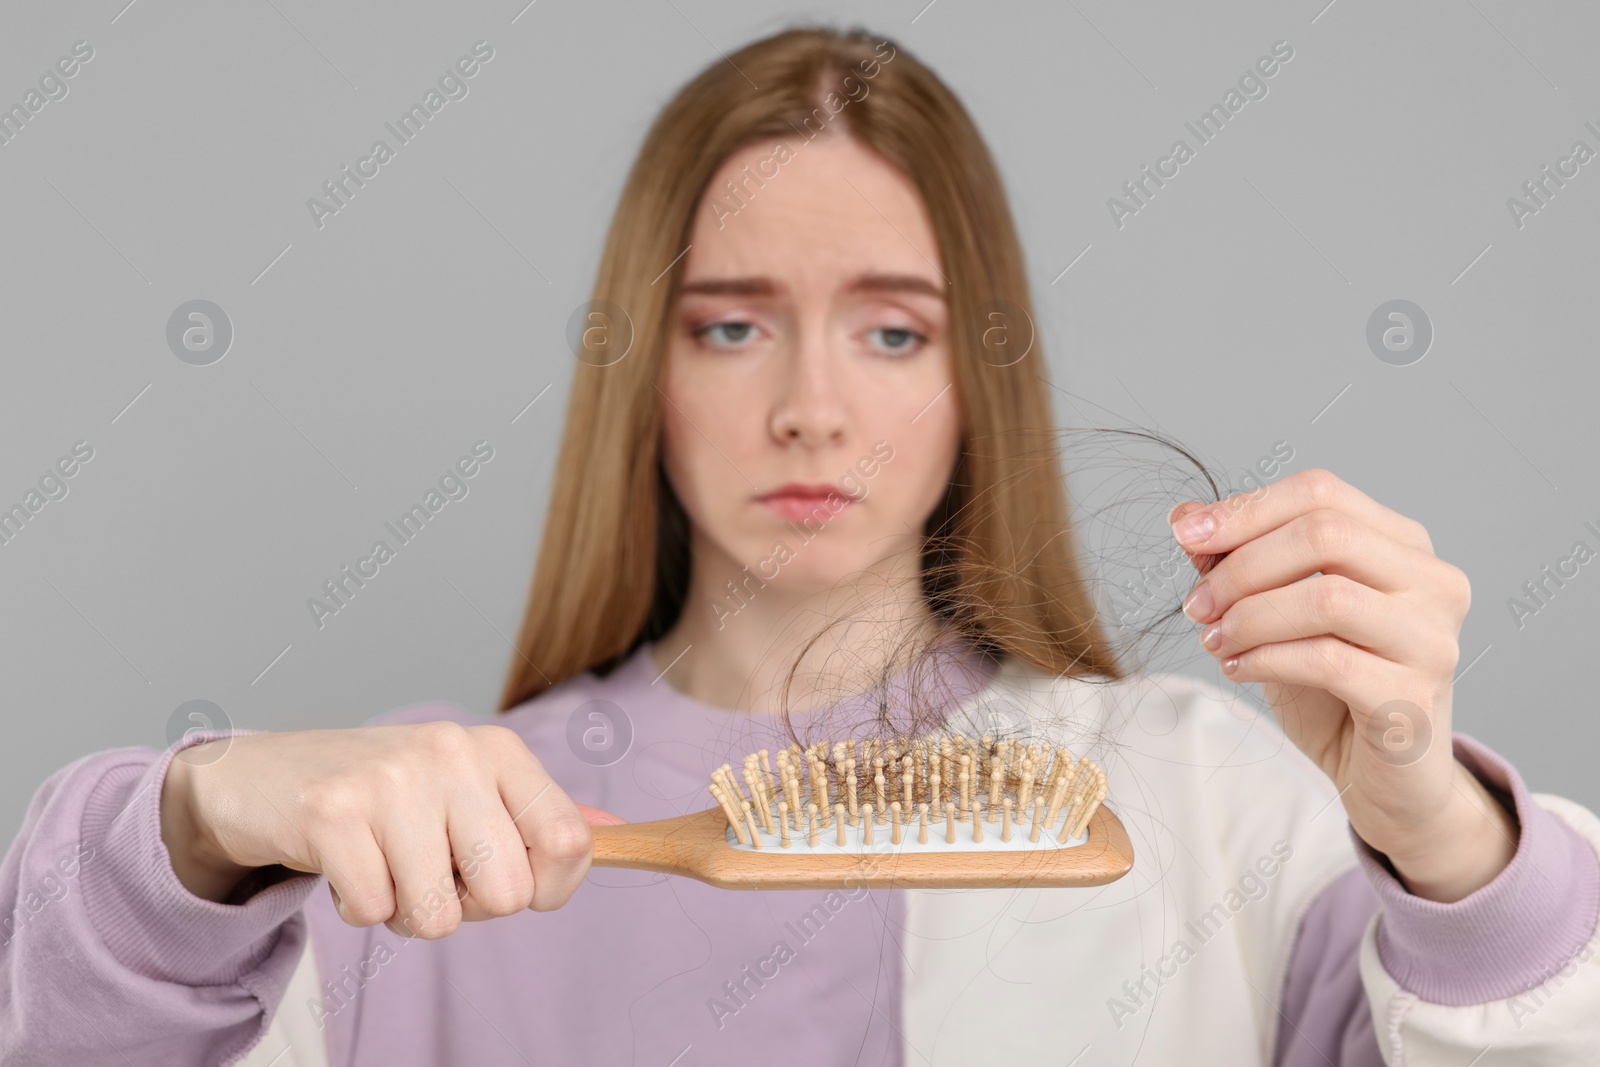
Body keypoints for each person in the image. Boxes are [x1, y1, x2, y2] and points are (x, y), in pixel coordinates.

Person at [3, 24, 1597, 1067]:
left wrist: (1445, 836)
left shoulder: (1203, 798)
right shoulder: (417, 845)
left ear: (981, 374)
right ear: (645, 373)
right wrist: (198, 825)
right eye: (732, 325)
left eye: (892, 335)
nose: (812, 409)